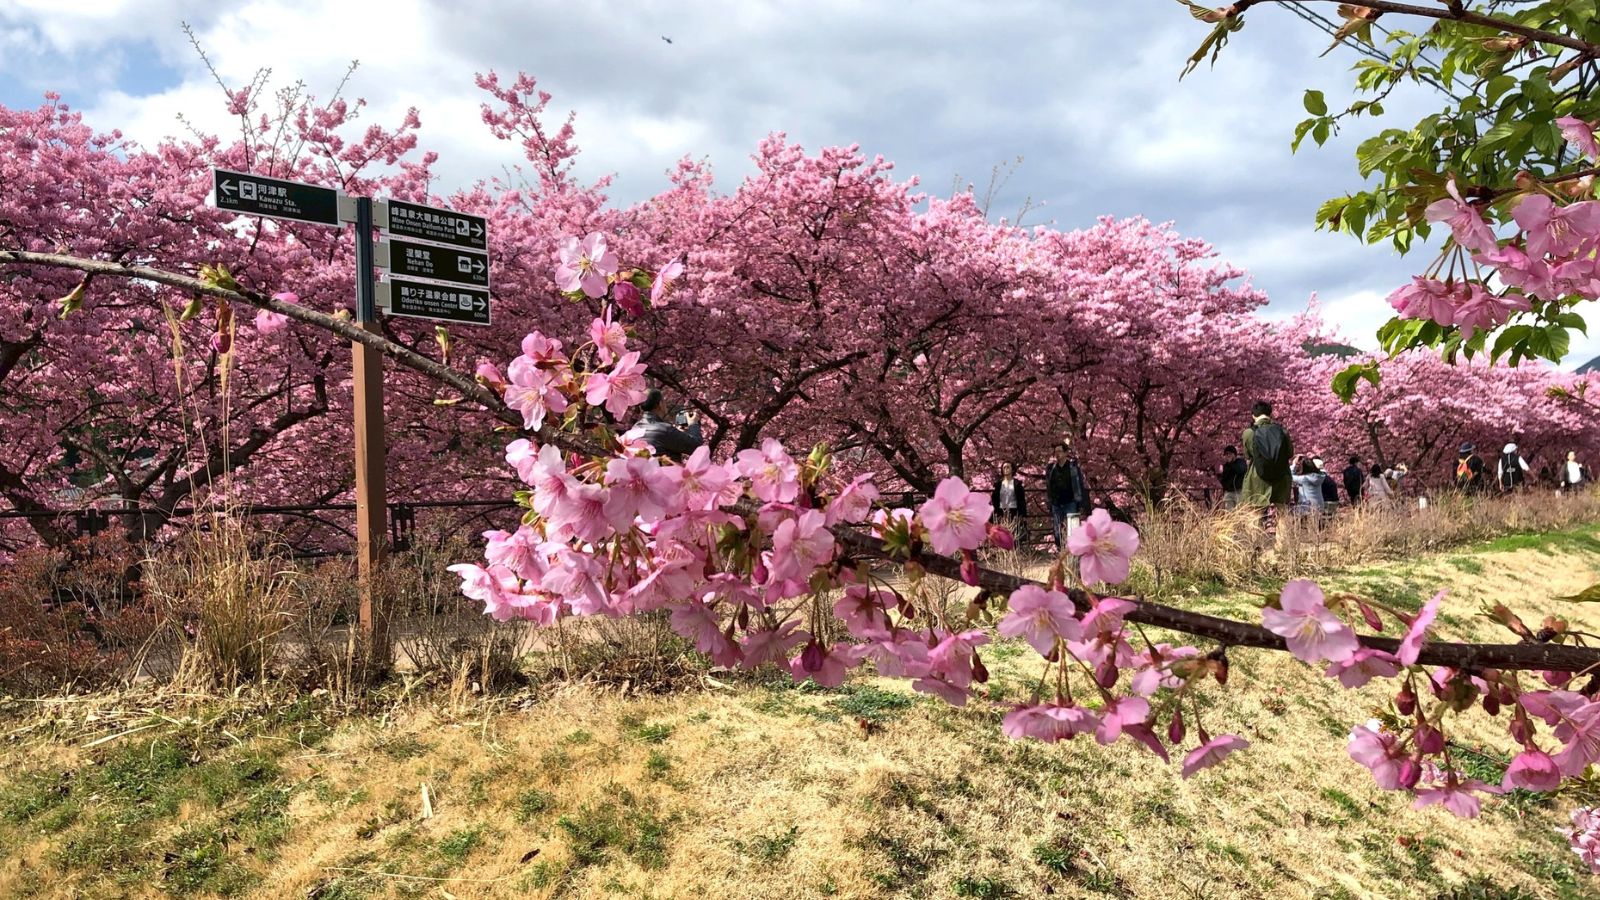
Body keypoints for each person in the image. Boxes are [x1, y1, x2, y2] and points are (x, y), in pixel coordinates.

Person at [1241, 400, 1294, 511]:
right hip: (1281, 476)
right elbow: (1290, 453)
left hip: (1257, 477)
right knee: (1282, 514)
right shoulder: (1283, 432)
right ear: (1270, 414)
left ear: (1253, 415)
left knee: (1255, 515)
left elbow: (1247, 455)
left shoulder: (1249, 433)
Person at [626, 388, 703, 461]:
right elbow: (697, 447)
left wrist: (677, 433)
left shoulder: (632, 430)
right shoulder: (665, 430)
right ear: (660, 404)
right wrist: (693, 424)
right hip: (665, 473)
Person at [1043, 444, 1089, 551]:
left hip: (1070, 502)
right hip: (1056, 503)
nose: (1057, 454)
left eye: (1059, 451)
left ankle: (1073, 552)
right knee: (1057, 530)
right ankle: (1061, 550)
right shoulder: (1052, 469)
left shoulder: (1073, 468)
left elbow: (1079, 485)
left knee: (1073, 529)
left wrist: (1080, 502)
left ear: (1065, 453)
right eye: (1056, 452)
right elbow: (1049, 486)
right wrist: (1050, 500)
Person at [990, 462, 1028, 546]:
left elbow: (1022, 501)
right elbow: (994, 500)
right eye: (1004, 468)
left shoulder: (1017, 484)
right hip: (1001, 512)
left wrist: (1023, 515)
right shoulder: (999, 485)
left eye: (1008, 467)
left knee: (1015, 535)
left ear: (1012, 469)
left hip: (1014, 512)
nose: (1006, 469)